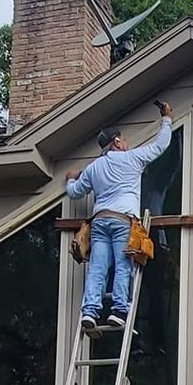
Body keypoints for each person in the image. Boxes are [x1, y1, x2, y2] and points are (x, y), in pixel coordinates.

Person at [65, 100, 174, 333]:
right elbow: (160, 145)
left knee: (97, 267)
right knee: (123, 265)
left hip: (100, 221)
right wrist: (166, 119)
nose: (126, 143)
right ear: (116, 142)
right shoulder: (131, 159)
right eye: (123, 140)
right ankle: (118, 311)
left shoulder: (93, 168)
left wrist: (70, 179)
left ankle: (90, 311)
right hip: (123, 220)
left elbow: (74, 193)